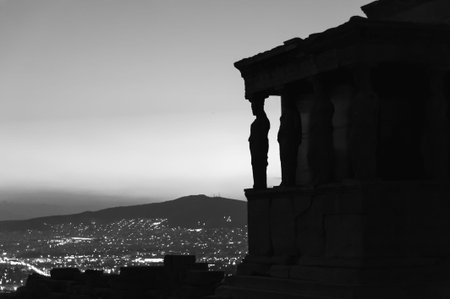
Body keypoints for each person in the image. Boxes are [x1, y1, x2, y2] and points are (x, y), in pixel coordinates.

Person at [249, 98, 270, 189]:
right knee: (256, 166)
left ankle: (260, 184)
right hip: (255, 149)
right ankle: (258, 184)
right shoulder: (258, 121)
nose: (252, 109)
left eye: (254, 107)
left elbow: (261, 137)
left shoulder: (263, 121)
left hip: (259, 149)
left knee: (260, 166)